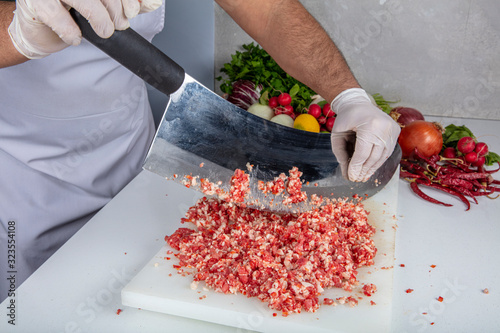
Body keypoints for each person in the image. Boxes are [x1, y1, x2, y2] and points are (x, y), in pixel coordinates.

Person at [0, 0, 400, 302]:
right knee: (40, 309)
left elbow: (270, 9)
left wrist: (347, 94)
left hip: (134, 168)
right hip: (25, 186)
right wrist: (18, 31)